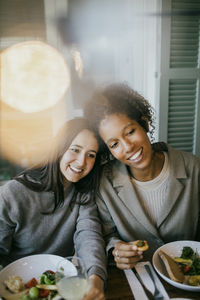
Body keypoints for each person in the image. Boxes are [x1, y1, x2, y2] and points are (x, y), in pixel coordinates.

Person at [84, 83, 200, 270]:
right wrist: (116, 249)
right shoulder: (104, 184)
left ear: (144, 124)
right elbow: (107, 235)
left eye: (130, 132)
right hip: (135, 281)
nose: (128, 147)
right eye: (114, 144)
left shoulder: (195, 169)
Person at [0, 118, 106, 300]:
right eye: (75, 150)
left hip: (59, 286)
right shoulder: (12, 193)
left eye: (91, 155)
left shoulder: (83, 193)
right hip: (15, 287)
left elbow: (88, 236)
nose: (81, 162)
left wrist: (95, 277)